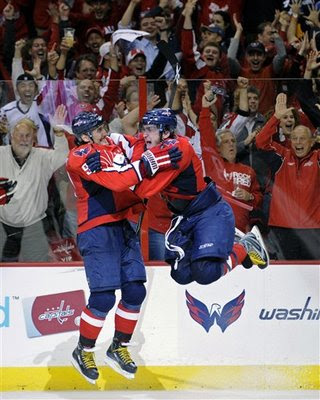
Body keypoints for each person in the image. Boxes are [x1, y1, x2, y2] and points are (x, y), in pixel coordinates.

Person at [86, 108, 270, 288]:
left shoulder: (178, 150)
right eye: (144, 128)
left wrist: (108, 171)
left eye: (150, 129)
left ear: (166, 132)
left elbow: (142, 191)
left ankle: (246, 245)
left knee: (205, 273)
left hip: (208, 212)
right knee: (181, 275)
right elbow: (121, 142)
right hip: (185, 217)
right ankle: (232, 240)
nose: (144, 134)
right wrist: (99, 154)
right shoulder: (148, 143)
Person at [66, 111, 182, 384]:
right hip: (97, 228)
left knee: (134, 290)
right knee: (104, 297)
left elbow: (144, 145)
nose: (104, 132)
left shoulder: (114, 143)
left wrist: (163, 138)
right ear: (84, 137)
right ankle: (82, 350)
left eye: (104, 126)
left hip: (125, 225)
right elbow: (119, 181)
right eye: (97, 129)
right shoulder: (80, 155)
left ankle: (119, 346)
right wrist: (149, 163)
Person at [255, 93, 320, 260]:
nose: (298, 142)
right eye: (295, 139)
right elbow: (261, 142)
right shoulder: (282, 157)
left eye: (303, 139)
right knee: (284, 276)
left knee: (313, 276)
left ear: (312, 142)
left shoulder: (317, 158)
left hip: (313, 229)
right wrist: (276, 117)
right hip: (282, 228)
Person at [0, 106, 69, 262]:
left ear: (34, 139)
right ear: (12, 136)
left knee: (38, 268)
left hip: (34, 226)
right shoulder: (1, 154)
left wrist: (58, 133)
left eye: (28, 136)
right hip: (2, 226)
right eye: (20, 135)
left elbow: (62, 156)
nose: (24, 139)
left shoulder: (43, 157)